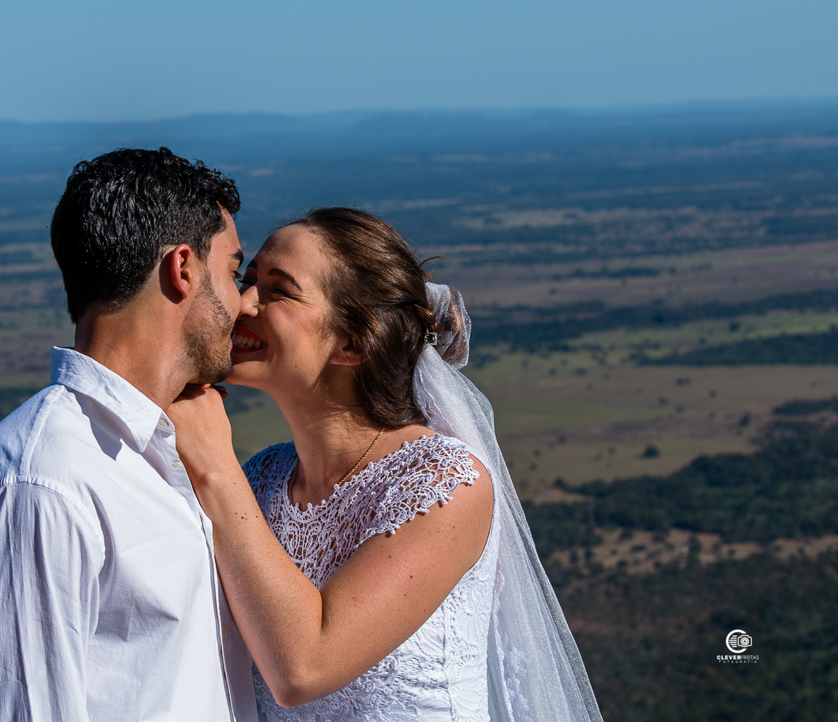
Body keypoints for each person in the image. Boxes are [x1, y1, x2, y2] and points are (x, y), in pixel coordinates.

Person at [169, 208, 602, 722]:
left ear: (353, 342)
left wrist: (214, 463)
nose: (242, 303)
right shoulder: (261, 478)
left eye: (279, 290)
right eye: (248, 280)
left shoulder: (443, 485)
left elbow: (303, 669)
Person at [0, 147, 258, 721]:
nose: (245, 301)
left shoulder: (165, 447)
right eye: (233, 272)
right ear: (182, 269)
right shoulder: (44, 483)